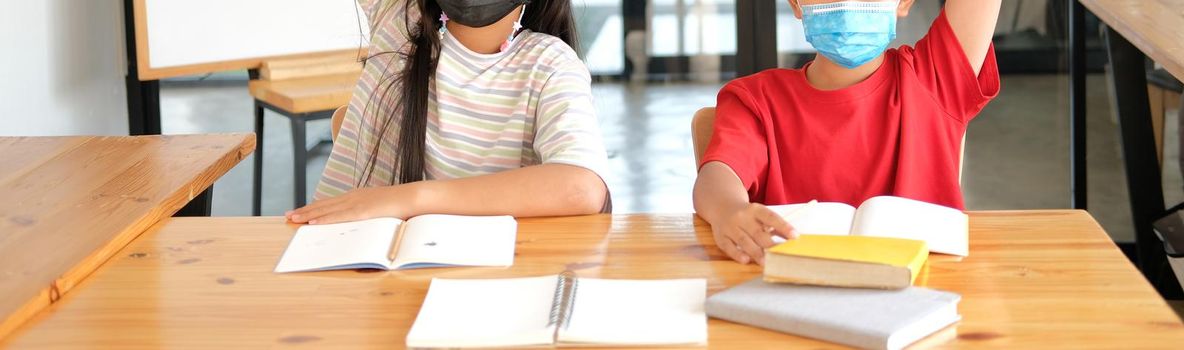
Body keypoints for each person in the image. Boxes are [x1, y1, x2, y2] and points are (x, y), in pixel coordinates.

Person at [693, 0, 1002, 265]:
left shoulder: (935, 79)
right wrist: (728, 211)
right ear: (797, 4)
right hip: (793, 293)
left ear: (904, 1)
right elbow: (718, 175)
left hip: (924, 292)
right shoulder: (755, 99)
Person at [287, 0, 609, 224]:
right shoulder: (398, 17)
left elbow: (581, 186)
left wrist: (411, 199)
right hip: (342, 249)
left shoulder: (550, 63)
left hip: (476, 272)